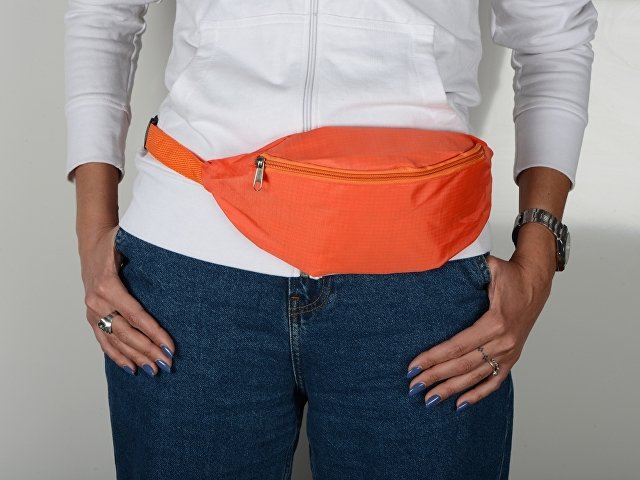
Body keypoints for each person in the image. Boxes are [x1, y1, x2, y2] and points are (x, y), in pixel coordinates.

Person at [64, 0, 597, 478]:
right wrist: (91, 237)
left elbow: (554, 35)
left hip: (421, 276)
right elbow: (103, 13)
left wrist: (538, 260)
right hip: (191, 267)